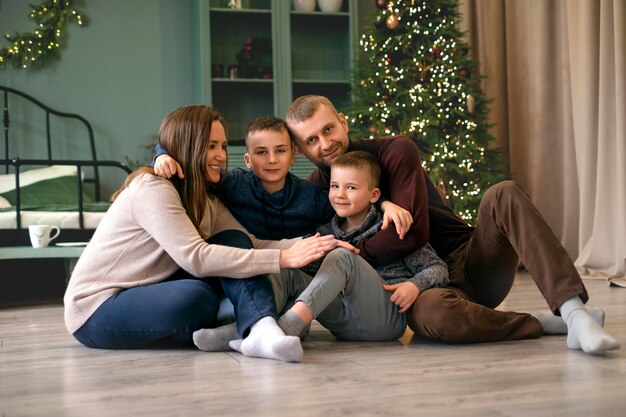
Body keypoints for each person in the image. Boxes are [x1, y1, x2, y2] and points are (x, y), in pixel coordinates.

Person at [285, 95, 620, 355]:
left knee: (503, 193)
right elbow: (321, 250)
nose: (325, 143)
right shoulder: (316, 190)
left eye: (328, 129)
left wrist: (353, 251)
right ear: (300, 150)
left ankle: (574, 313)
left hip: (470, 258)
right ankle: (543, 323)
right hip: (427, 290)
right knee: (431, 319)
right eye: (311, 140)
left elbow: (413, 235)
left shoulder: (395, 151)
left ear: (343, 122)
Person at [63, 104, 352, 363]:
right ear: (190, 145)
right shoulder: (153, 188)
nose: (221, 156)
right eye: (211, 146)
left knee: (234, 243)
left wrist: (314, 245)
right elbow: (195, 258)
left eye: (223, 146)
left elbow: (250, 243)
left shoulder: (206, 197)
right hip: (98, 307)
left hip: (151, 288)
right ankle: (247, 327)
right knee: (196, 298)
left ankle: (260, 329)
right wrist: (283, 259)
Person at [276, 150, 449, 342]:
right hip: (343, 322)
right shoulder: (325, 230)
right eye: (335, 186)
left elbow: (438, 268)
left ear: (374, 195)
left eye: (351, 187)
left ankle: (288, 326)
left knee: (342, 255)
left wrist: (415, 285)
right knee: (287, 271)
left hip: (385, 319)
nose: (340, 194)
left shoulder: (390, 228)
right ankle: (264, 326)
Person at [154, 115, 413, 240]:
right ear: (247, 160)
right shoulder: (233, 183)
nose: (271, 160)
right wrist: (161, 155)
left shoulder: (311, 196)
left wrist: (385, 203)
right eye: (261, 153)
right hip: (251, 266)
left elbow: (349, 203)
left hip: (297, 273)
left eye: (280, 151)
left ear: (293, 155)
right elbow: (193, 164)